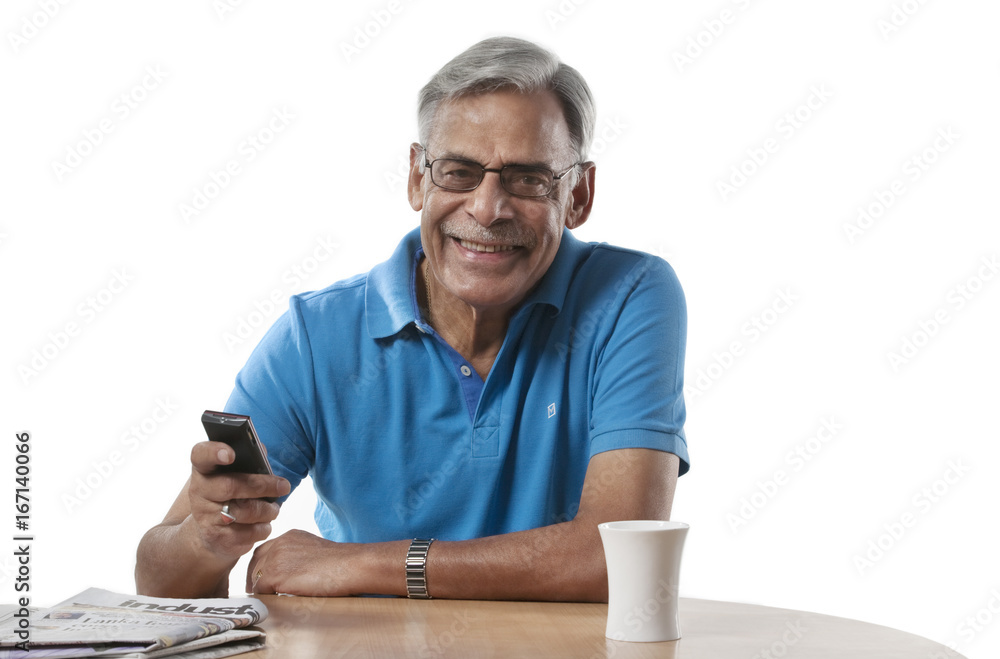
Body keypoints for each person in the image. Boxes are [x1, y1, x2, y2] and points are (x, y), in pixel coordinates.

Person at [135, 36, 689, 602]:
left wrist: (361, 566)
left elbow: (620, 558)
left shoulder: (631, 295)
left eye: (528, 178)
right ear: (417, 178)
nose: (487, 208)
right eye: (458, 172)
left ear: (579, 194)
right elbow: (158, 583)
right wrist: (205, 540)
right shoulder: (315, 336)